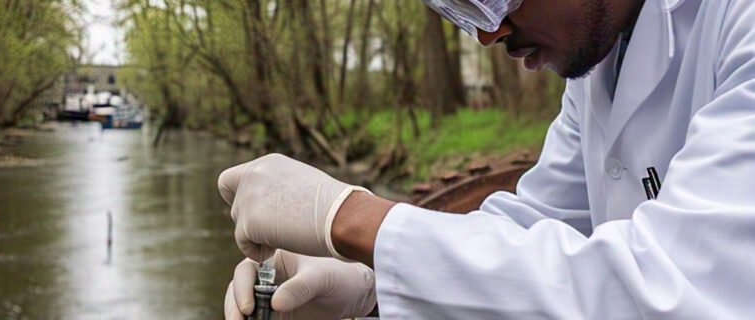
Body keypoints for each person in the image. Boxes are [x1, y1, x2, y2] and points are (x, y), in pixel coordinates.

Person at [219, 0, 755, 318]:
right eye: (458, 7)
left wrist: (350, 219)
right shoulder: (599, 69)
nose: (486, 33)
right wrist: (371, 283)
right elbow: (532, 226)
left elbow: (677, 289)